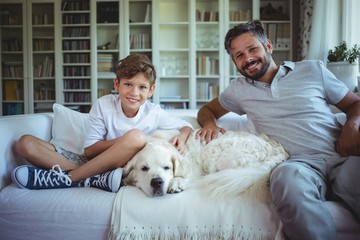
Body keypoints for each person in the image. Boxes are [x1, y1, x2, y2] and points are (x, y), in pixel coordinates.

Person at [196, 20, 360, 240]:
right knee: (284, 175)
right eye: (239, 55)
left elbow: (354, 104)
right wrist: (209, 124)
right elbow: (207, 110)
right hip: (299, 166)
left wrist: (353, 124)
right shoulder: (238, 90)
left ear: (268, 46)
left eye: (252, 49)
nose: (248, 59)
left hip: (343, 156)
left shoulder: (313, 70)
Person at [12, 53, 193, 193]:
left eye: (142, 87)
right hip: (92, 162)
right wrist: (125, 141)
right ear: (117, 84)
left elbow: (186, 126)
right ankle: (93, 178)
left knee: (137, 137)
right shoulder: (104, 105)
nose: (134, 93)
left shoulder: (153, 112)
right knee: (24, 143)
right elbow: (89, 150)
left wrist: (182, 137)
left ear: (151, 90)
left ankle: (72, 177)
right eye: (128, 84)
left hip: (123, 167)